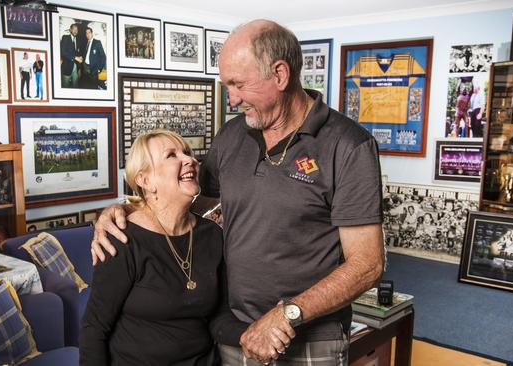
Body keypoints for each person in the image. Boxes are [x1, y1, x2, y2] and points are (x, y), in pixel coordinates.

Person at [91, 19, 384, 365]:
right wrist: (122, 212)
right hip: (234, 332)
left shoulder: (349, 146)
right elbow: (184, 199)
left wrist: (289, 313)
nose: (231, 99)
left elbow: (368, 264)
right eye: (227, 85)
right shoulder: (232, 136)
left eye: (238, 84)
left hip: (310, 337)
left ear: (279, 75)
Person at [79, 129, 262, 365]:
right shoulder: (121, 238)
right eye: (171, 155)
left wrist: (254, 333)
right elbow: (94, 329)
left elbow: (218, 317)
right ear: (145, 180)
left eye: (187, 153)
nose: (190, 160)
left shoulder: (211, 234)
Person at [60, 23, 82, 88]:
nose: (75, 31)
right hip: (67, 67)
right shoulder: (65, 37)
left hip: (76, 67)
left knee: (76, 86)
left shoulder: (78, 40)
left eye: (77, 30)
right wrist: (75, 57)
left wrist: (79, 69)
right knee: (65, 86)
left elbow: (79, 54)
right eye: (74, 29)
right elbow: (63, 52)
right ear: (70, 30)